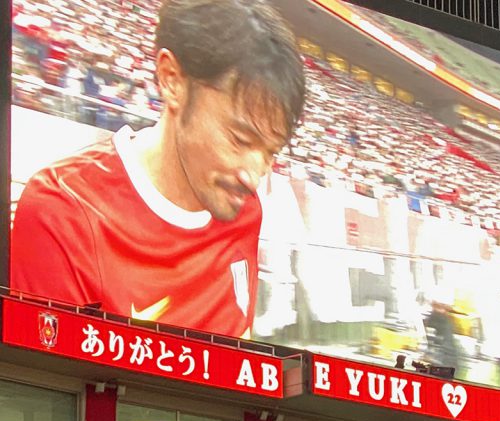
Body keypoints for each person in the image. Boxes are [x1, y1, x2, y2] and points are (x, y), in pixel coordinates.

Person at [10, 0, 307, 339]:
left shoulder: (244, 210)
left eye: (270, 153)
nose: (252, 178)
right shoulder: (64, 212)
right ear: (172, 80)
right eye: (239, 140)